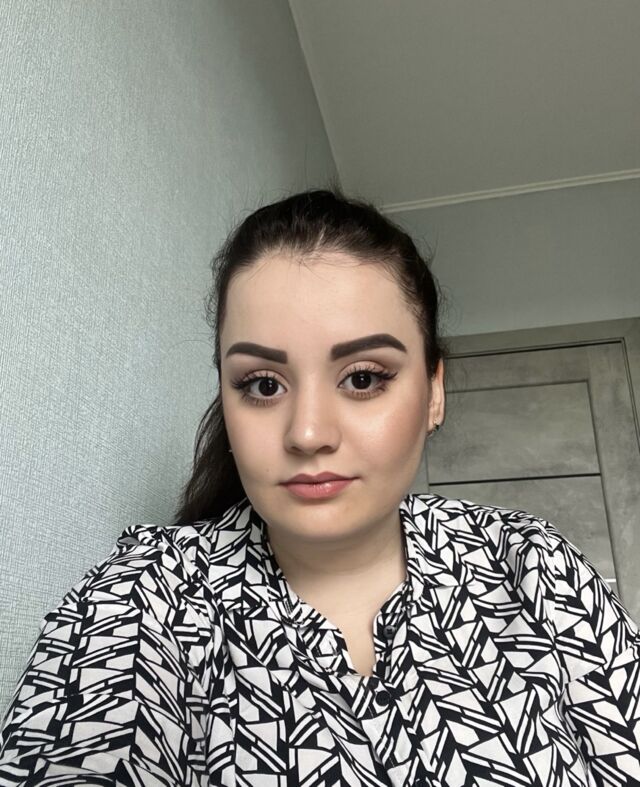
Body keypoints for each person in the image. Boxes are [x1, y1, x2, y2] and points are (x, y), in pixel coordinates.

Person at [1, 188, 639, 787]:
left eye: (362, 378)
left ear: (434, 391)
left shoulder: (533, 563)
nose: (307, 433)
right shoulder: (149, 594)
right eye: (263, 385)